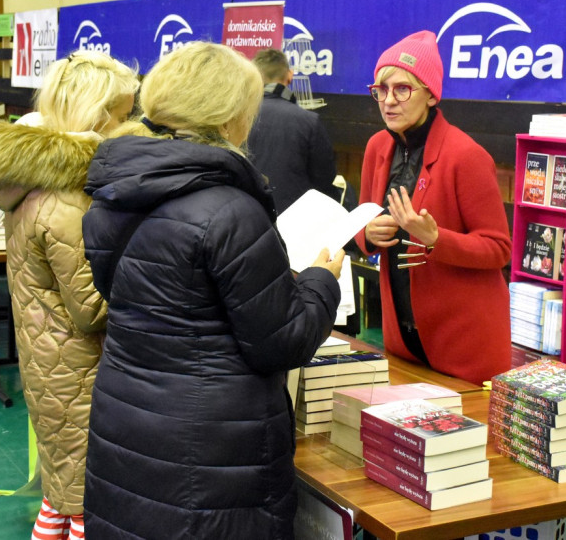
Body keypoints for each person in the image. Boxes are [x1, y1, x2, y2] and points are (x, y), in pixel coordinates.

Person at [81, 41, 344, 539]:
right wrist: (320, 282)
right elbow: (281, 341)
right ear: (229, 120)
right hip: (212, 451)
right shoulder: (228, 210)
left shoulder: (113, 192)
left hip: (129, 419)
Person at [0, 51, 139, 540]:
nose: (130, 126)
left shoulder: (33, 182)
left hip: (52, 363)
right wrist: (149, 268)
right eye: (125, 115)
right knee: (88, 506)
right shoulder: (68, 198)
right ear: (99, 115)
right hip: (80, 369)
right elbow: (89, 309)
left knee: (59, 498)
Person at [357, 30, 512, 385]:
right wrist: (367, 233)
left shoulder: (467, 156)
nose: (388, 101)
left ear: (430, 94)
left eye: (401, 89)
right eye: (380, 90)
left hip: (461, 343)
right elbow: (362, 221)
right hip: (402, 340)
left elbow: (499, 249)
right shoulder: (376, 148)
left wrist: (436, 238)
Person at [247, 48, 338, 213]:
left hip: (246, 218)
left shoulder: (237, 119)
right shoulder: (309, 121)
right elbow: (325, 180)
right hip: (295, 224)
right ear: (290, 75)